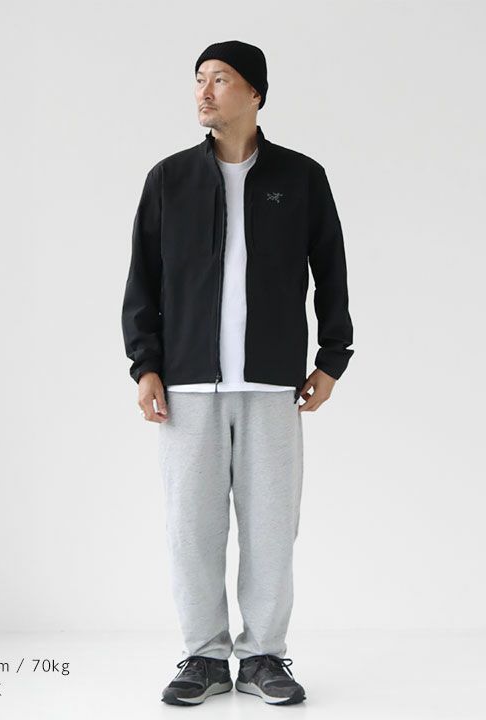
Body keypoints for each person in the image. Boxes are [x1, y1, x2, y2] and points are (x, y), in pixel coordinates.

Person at [121, 40, 354, 706]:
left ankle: (262, 657)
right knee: (190, 528)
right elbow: (143, 279)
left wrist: (331, 358)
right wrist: (145, 365)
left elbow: (330, 268)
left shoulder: (300, 177)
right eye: (199, 79)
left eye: (219, 79)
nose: (204, 91)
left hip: (272, 384)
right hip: (187, 384)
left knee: (271, 527)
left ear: (255, 93)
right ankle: (203, 655)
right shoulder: (169, 179)